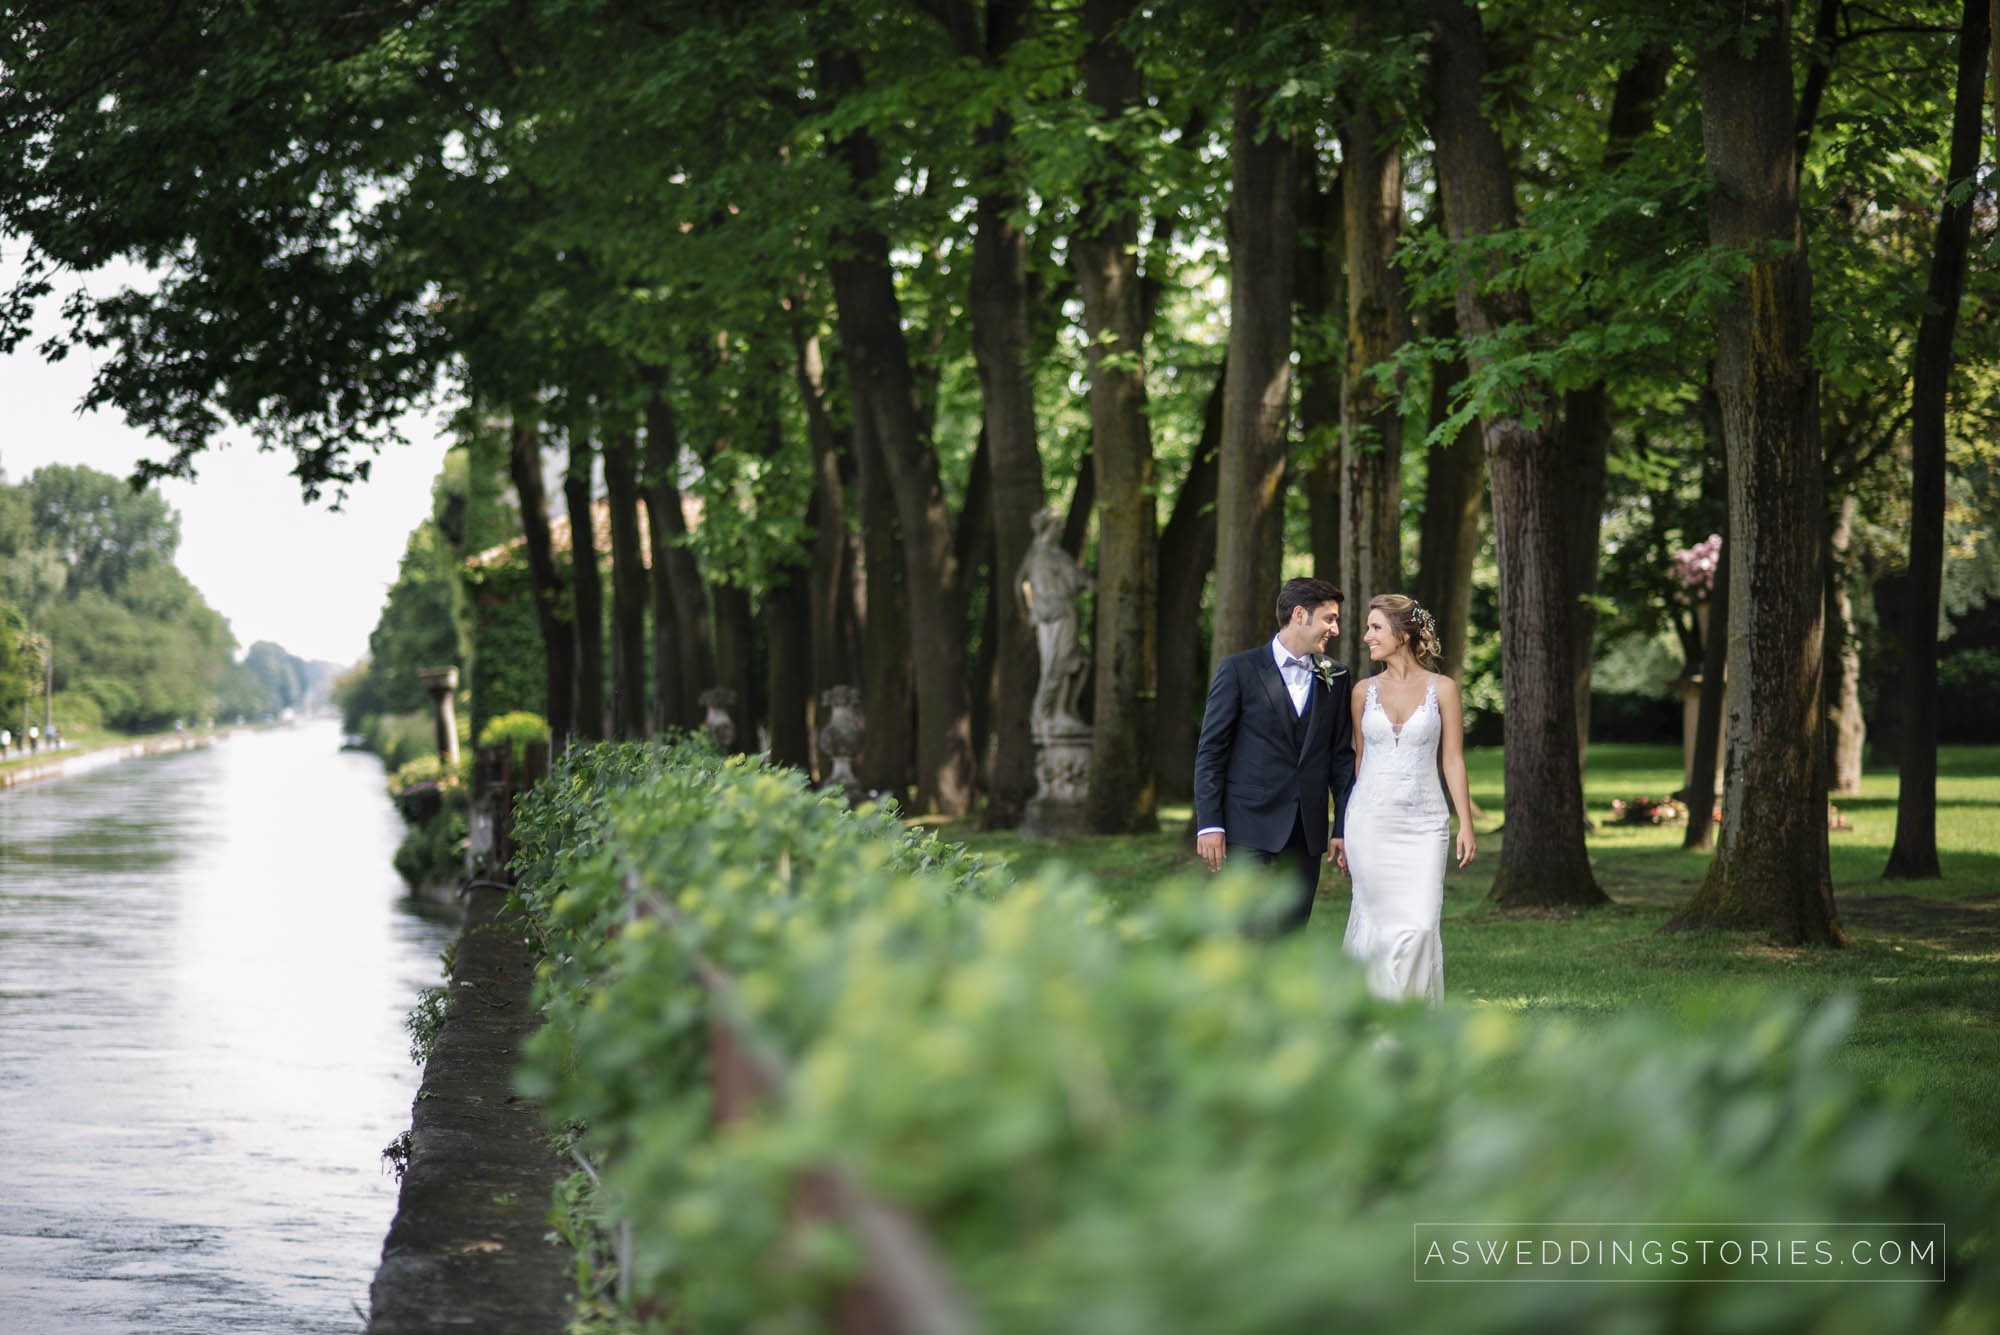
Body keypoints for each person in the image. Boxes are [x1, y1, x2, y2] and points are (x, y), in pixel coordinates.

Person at [1194, 578, 1355, 935]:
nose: (1336, 628)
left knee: (1291, 936)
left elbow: (1341, 760)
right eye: (1329, 619)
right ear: (1300, 615)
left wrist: (1342, 827)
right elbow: (1211, 751)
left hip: (1307, 833)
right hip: (1248, 829)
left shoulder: (1337, 677)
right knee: (1247, 934)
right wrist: (1210, 823)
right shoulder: (1238, 670)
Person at [1337, 594, 1476, 1005]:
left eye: (1376, 627)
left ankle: (1411, 1018)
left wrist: (1465, 823)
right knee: (1375, 923)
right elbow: (1359, 761)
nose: (1366, 637)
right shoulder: (1362, 691)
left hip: (1425, 824)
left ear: (1403, 634)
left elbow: (1452, 761)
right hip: (1369, 822)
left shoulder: (1444, 689)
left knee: (1418, 924)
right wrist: (1343, 829)